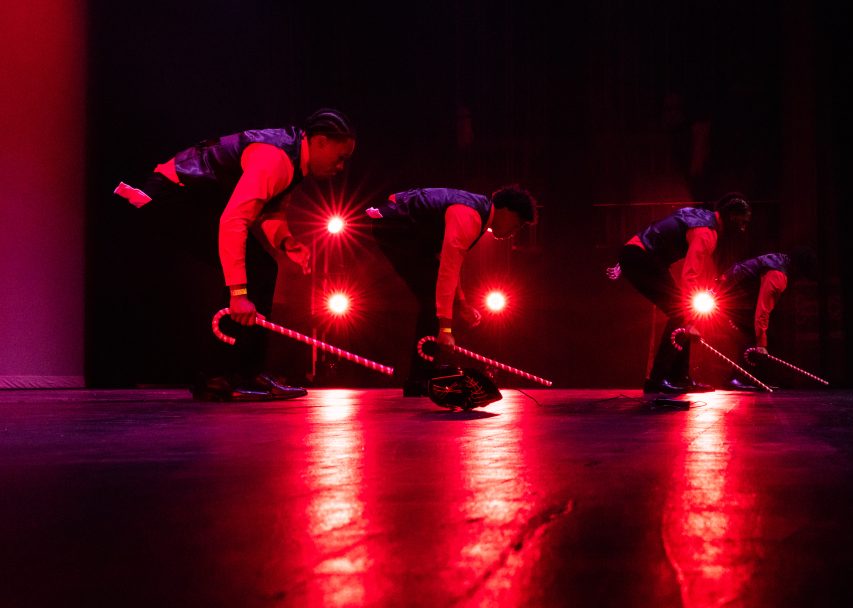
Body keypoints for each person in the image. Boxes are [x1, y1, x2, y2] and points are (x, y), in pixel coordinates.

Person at [114, 108, 357, 401]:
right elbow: (234, 221)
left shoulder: (293, 160)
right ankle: (221, 376)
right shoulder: (277, 158)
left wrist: (286, 241)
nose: (341, 166)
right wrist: (239, 294)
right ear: (320, 142)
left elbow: (269, 212)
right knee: (254, 270)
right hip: (169, 197)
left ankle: (244, 372)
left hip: (188, 198)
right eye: (340, 157)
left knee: (263, 267)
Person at [366, 185, 538, 396]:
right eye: (518, 224)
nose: (514, 232)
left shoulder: (479, 215)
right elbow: (448, 268)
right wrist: (445, 329)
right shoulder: (471, 215)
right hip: (393, 224)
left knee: (435, 294)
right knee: (432, 298)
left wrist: (461, 303)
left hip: (404, 228)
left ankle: (423, 374)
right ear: (508, 211)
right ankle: (419, 379)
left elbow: (448, 263)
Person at [606, 192, 752, 394]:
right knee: (681, 314)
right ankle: (658, 380)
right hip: (640, 257)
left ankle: (679, 377)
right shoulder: (707, 231)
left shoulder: (702, 218)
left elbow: (659, 232)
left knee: (682, 314)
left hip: (641, 257)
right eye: (742, 222)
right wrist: (690, 319)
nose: (743, 228)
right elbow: (690, 275)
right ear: (731, 215)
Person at [713, 246, 819, 390]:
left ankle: (748, 378)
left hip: (730, 293)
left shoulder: (780, 260)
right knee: (755, 339)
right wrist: (761, 343)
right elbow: (762, 310)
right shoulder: (777, 275)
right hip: (729, 298)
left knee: (758, 336)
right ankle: (738, 379)